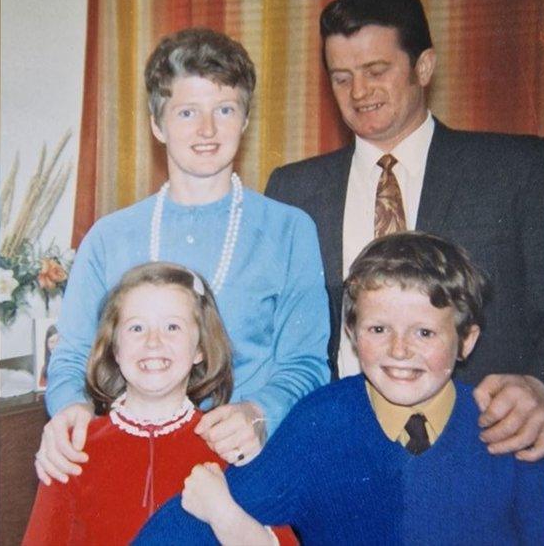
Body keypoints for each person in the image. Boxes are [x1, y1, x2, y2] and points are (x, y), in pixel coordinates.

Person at [36, 28, 330, 485]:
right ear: (157, 124)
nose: (207, 130)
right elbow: (73, 354)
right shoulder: (109, 237)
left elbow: (306, 363)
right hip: (131, 468)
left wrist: (258, 413)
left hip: (246, 466)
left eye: (225, 110)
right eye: (187, 112)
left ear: (246, 120)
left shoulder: (289, 230)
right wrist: (70, 406)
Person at [264, 0, 544, 459]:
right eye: (342, 77)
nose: (359, 92)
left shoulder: (519, 169)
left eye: (376, 70)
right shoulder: (292, 190)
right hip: (336, 452)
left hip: (483, 448)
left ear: (424, 67)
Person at [135, 232, 544, 545]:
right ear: (351, 332)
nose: (399, 350)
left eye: (424, 332)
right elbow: (198, 518)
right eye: (378, 329)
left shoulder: (506, 425)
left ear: (467, 340)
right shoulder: (321, 423)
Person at [23, 263, 296, 545]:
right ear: (115, 348)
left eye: (172, 327)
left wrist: (224, 514)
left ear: (200, 349)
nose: (153, 342)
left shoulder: (228, 441)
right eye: (137, 327)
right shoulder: (74, 450)